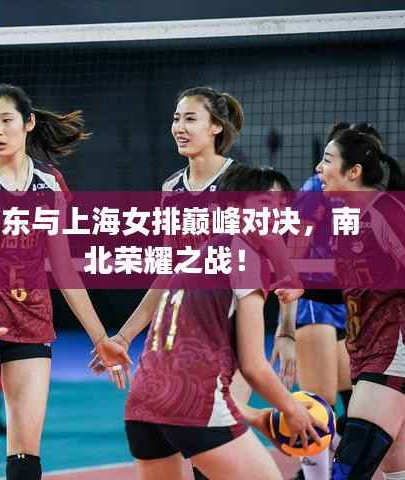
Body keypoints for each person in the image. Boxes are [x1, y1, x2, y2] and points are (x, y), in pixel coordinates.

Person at [0, 83, 131, 480]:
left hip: (32, 324)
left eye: (6, 120)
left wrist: (100, 337)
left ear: (29, 123)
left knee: (25, 465)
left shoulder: (50, 184)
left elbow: (64, 270)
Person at [99, 165, 323, 480]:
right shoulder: (246, 259)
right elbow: (254, 367)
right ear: (234, 207)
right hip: (195, 406)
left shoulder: (201, 255)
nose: (276, 215)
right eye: (264, 204)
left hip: (143, 405)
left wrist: (257, 418)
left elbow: (186, 368)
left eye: (282, 206)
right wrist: (292, 409)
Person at [278, 128, 405, 479]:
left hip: (392, 355)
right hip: (369, 352)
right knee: (396, 466)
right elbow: (352, 282)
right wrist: (303, 287)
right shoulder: (352, 221)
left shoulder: (387, 212)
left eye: (327, 160)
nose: (318, 168)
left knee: (349, 467)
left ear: (354, 172)